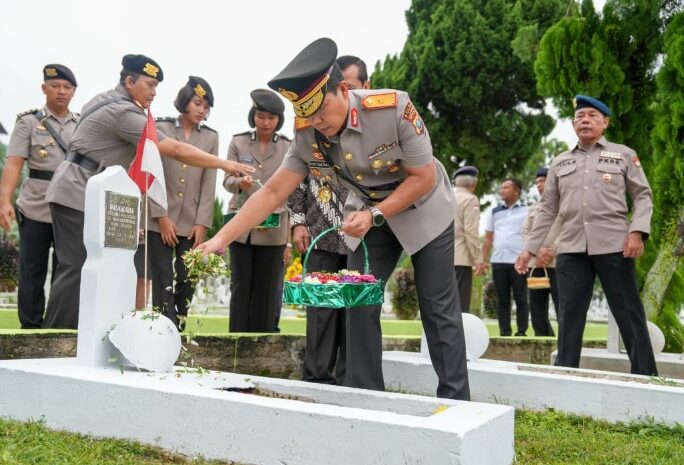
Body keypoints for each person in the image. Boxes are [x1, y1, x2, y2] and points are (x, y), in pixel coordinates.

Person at [199, 37, 470, 400]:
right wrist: (221, 239)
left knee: (437, 307)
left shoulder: (392, 108)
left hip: (424, 209)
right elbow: (272, 193)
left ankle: (455, 402)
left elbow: (423, 178)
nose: (317, 123)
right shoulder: (307, 132)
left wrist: (374, 214)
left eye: (321, 111)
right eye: (306, 115)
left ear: (343, 89)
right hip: (370, 215)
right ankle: (364, 397)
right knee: (357, 299)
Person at [43, 54, 254, 329]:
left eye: (157, 87)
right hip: (78, 190)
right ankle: (56, 337)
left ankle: (73, 335)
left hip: (87, 190)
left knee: (83, 267)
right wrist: (227, 164)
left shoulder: (103, 99)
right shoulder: (124, 112)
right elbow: (174, 149)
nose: (154, 93)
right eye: (149, 85)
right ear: (130, 81)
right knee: (75, 267)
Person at [516, 95, 658, 376]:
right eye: (580, 116)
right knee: (569, 316)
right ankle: (566, 375)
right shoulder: (560, 162)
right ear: (573, 124)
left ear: (605, 122)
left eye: (592, 115)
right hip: (571, 249)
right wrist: (530, 248)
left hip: (614, 246)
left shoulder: (624, 154)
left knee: (628, 312)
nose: (585, 120)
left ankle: (645, 377)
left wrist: (637, 232)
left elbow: (643, 196)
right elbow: (547, 208)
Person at [288, 54, 369, 385]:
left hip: (361, 234)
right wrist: (297, 221)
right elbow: (296, 177)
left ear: (364, 86)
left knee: (355, 309)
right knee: (321, 310)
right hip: (320, 228)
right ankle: (317, 379)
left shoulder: (374, 124)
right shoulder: (312, 127)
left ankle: (351, 381)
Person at [0, 64, 78, 328]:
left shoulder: (81, 124)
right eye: (55, 86)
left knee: (65, 270)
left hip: (69, 207)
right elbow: (13, 164)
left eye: (67, 87)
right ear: (44, 88)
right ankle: (30, 327)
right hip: (35, 205)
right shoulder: (29, 122)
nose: (61, 92)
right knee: (32, 270)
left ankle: (56, 326)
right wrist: (4, 201)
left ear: (74, 91)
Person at [146, 76, 219, 330]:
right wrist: (160, 215)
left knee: (189, 278)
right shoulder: (161, 127)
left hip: (192, 220)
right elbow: (151, 173)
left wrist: (202, 222)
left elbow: (209, 182)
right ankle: (161, 330)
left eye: (206, 106)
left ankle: (178, 325)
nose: (202, 110)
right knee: (162, 277)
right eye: (197, 103)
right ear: (184, 102)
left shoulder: (211, 138)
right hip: (160, 219)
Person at [223, 89, 291, 333]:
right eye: (260, 116)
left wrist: (289, 241)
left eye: (271, 118)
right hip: (241, 227)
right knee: (240, 286)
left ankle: (262, 343)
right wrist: (238, 184)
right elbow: (227, 181)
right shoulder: (238, 142)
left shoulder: (287, 147)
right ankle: (237, 341)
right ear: (253, 116)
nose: (265, 122)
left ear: (278, 120)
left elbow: (292, 191)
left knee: (267, 289)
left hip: (273, 228)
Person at [482, 178, 529, 336]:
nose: (502, 190)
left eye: (506, 187)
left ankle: (522, 331)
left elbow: (531, 234)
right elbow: (488, 237)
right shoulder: (494, 212)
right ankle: (504, 331)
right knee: (502, 299)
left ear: (517, 190)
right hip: (498, 261)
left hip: (519, 261)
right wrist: (483, 259)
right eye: (501, 187)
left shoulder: (526, 210)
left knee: (521, 297)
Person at [521, 167, 559, 337]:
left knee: (562, 307)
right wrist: (537, 252)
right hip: (536, 264)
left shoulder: (565, 204)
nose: (539, 185)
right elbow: (525, 232)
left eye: (543, 181)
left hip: (559, 263)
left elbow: (569, 230)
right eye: (537, 182)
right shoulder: (534, 208)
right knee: (536, 310)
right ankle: (542, 343)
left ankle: (563, 347)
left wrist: (552, 251)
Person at [452, 165, 485, 314]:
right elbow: (471, 232)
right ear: (474, 183)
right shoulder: (470, 199)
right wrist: (478, 259)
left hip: (439, 256)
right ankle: (458, 337)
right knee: (460, 305)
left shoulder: (444, 196)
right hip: (460, 258)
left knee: (443, 302)